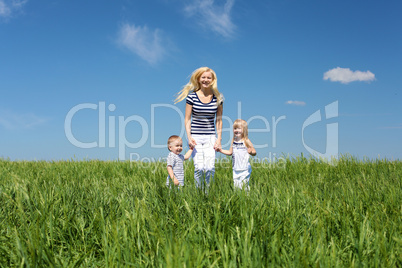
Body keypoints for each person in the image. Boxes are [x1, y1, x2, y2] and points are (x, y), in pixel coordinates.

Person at [175, 67, 223, 189]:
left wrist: (219, 139)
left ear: (212, 80)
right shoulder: (192, 97)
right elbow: (187, 119)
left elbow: (219, 120)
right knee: (199, 167)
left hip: (210, 136)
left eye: (209, 77)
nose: (206, 80)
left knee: (210, 167)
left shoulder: (218, 98)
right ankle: (198, 192)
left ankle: (208, 192)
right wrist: (189, 137)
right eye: (203, 77)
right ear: (198, 79)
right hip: (195, 136)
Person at [218, 119, 256, 190]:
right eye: (235, 128)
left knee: (244, 187)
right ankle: (239, 199)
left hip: (245, 168)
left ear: (244, 130)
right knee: (237, 187)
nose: (236, 130)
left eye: (239, 128)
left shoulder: (246, 141)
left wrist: (251, 152)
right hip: (235, 168)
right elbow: (230, 152)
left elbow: (254, 152)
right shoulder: (233, 140)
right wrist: (220, 150)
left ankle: (246, 199)